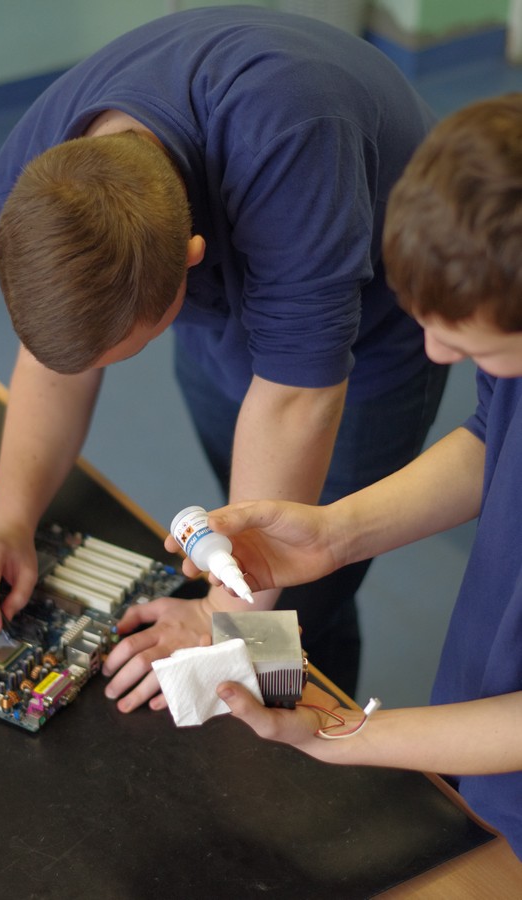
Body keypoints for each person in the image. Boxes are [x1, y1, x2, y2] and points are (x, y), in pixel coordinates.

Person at [0, 6, 447, 705]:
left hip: (377, 319)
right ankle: (281, 662)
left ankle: (305, 724)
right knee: (253, 541)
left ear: (191, 259)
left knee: (304, 590)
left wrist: (221, 616)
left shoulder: (291, 146)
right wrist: (8, 526)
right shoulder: (30, 183)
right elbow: (55, 362)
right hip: (231, 313)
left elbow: (296, 399)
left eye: (126, 348)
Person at [170, 94, 522, 858]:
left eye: (475, 347)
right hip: (483, 737)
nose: (435, 357)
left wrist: (341, 735)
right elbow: (496, 438)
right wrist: (335, 535)